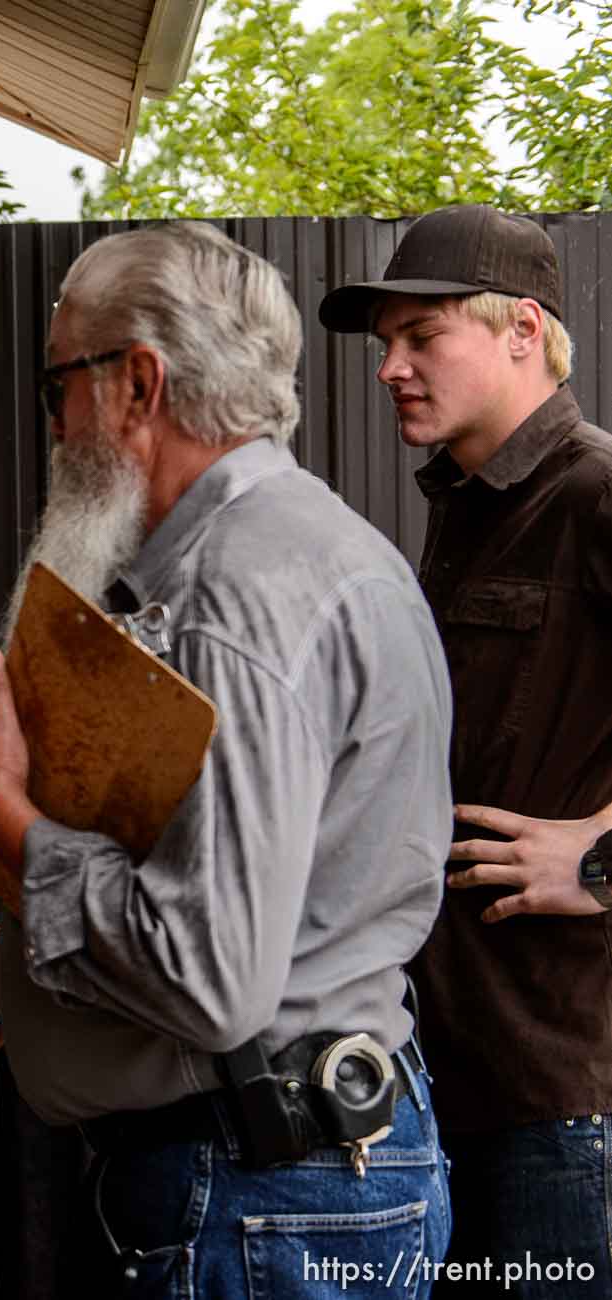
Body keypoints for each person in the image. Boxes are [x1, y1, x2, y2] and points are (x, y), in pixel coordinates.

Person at [0, 222, 454, 1296]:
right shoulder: (316, 547)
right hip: (293, 1174)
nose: (56, 426)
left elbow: (216, 981)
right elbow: (271, 907)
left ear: (137, 384)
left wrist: (3, 819)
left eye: (56, 387)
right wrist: (59, 966)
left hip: (258, 1195)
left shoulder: (231, 596)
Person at [320, 203, 612, 1293]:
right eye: (384, 343)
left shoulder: (592, 492)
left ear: (522, 330)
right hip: (442, 1070)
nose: (391, 367)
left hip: (558, 1099)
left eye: (422, 337)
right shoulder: (464, 512)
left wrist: (595, 859)